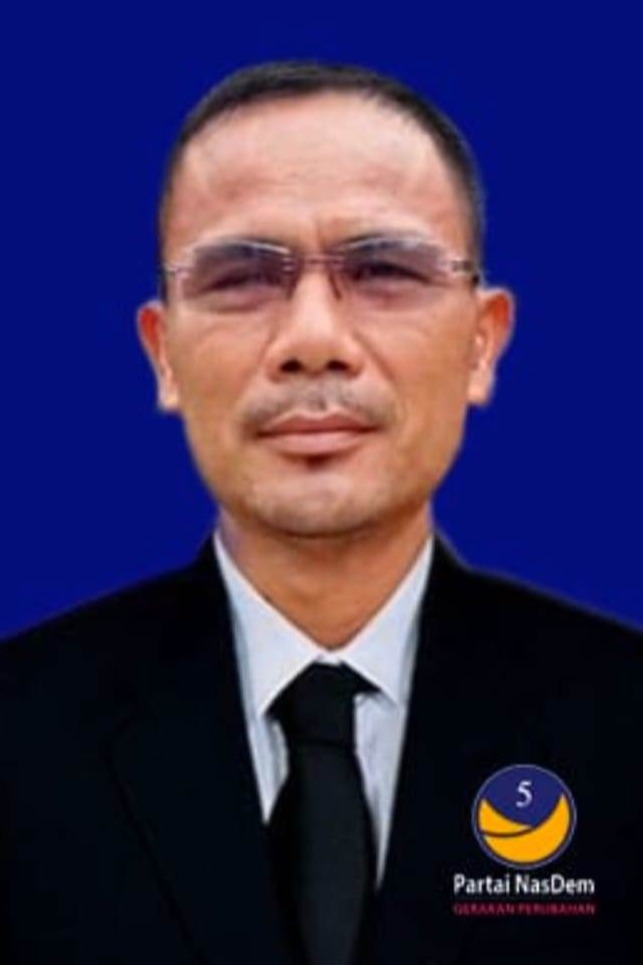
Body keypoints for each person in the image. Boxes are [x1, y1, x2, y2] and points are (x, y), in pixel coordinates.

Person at [1, 60, 641, 965]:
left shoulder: (625, 728)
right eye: (240, 277)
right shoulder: (19, 739)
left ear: (481, 343)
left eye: (382, 270)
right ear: (163, 353)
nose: (312, 340)